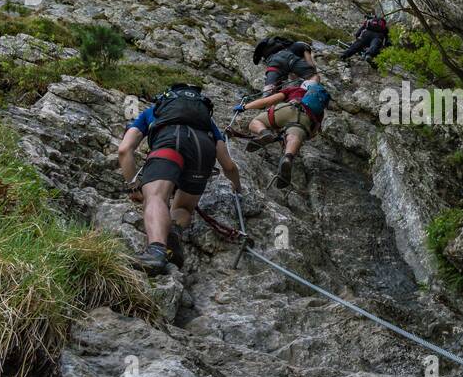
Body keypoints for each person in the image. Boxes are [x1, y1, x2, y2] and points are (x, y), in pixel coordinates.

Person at [118, 83, 241, 274]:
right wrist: (238, 189)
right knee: (183, 207)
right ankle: (173, 231)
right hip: (203, 151)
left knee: (156, 197)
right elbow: (229, 166)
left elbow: (124, 150)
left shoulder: (154, 110)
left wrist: (135, 188)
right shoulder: (206, 121)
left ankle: (156, 251)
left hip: (169, 143)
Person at [234, 81, 332, 189]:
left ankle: (264, 132)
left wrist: (244, 107)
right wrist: (299, 135)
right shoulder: (320, 110)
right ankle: (288, 157)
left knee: (255, 122)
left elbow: (267, 101)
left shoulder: (294, 90)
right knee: (293, 138)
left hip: (287, 109)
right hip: (304, 120)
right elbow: (312, 133)